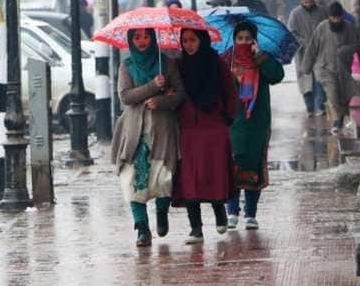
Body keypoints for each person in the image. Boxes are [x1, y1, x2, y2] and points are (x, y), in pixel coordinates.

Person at [110, 28, 186, 247]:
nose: (142, 41)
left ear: (153, 38)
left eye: (146, 36)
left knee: (163, 177)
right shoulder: (127, 65)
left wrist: (162, 101)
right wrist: (153, 86)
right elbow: (125, 96)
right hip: (135, 132)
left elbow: (180, 94)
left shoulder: (167, 64)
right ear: (131, 41)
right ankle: (142, 228)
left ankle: (162, 212)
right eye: (137, 37)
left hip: (163, 130)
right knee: (132, 179)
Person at [175, 28, 236, 244]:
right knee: (190, 176)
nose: (188, 45)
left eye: (192, 40)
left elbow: (230, 90)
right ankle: (196, 228)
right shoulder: (178, 65)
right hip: (189, 127)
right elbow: (175, 93)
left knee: (214, 170)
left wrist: (227, 116)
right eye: (184, 41)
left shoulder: (215, 62)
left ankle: (220, 212)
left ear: (201, 40)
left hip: (214, 124)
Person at [223, 21, 284, 230]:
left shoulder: (262, 58)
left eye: (248, 39)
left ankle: (250, 213)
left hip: (257, 123)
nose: (244, 42)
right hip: (232, 122)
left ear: (255, 40)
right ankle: (231, 211)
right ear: (234, 40)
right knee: (232, 165)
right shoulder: (226, 60)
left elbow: (277, 76)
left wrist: (260, 56)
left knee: (253, 164)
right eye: (240, 38)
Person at [302, 2, 360, 134]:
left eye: (338, 18)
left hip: (344, 68)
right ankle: (337, 120)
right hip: (324, 68)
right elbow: (312, 48)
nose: (336, 20)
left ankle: (340, 117)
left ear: (342, 17)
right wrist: (306, 67)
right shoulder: (321, 28)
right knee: (332, 94)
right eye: (333, 18)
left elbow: (358, 47)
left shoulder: (350, 28)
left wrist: (349, 53)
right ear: (329, 17)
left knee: (344, 95)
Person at [287, 0, 328, 117]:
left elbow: (327, 28)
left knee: (320, 79)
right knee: (305, 81)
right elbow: (292, 32)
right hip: (303, 53)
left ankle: (320, 106)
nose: (308, 4)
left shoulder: (322, 12)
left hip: (319, 52)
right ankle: (310, 107)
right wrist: (302, 42)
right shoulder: (295, 14)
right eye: (306, 2)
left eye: (310, 1)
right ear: (301, 1)